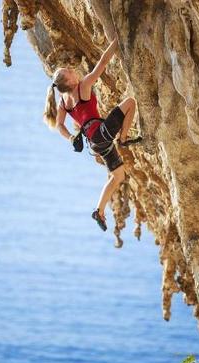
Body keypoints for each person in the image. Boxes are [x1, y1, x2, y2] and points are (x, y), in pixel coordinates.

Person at [43, 37, 141, 231]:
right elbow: (103, 62)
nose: (71, 70)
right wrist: (118, 39)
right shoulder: (83, 86)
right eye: (68, 72)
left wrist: (71, 137)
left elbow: (60, 125)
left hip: (95, 144)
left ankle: (99, 210)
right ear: (69, 82)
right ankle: (123, 139)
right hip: (101, 135)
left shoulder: (63, 101)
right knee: (130, 102)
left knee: (118, 176)